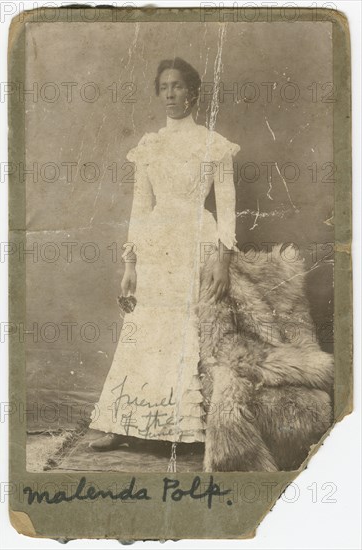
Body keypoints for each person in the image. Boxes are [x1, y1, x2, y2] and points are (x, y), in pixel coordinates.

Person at [88, 57, 240, 463]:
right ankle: (125, 424)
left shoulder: (214, 145)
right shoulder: (150, 145)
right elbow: (140, 207)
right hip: (157, 244)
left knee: (189, 328)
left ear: (193, 93)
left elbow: (226, 207)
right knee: (146, 328)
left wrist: (222, 258)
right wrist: (130, 263)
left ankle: (187, 427)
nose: (170, 95)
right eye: (164, 87)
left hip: (197, 241)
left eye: (178, 86)